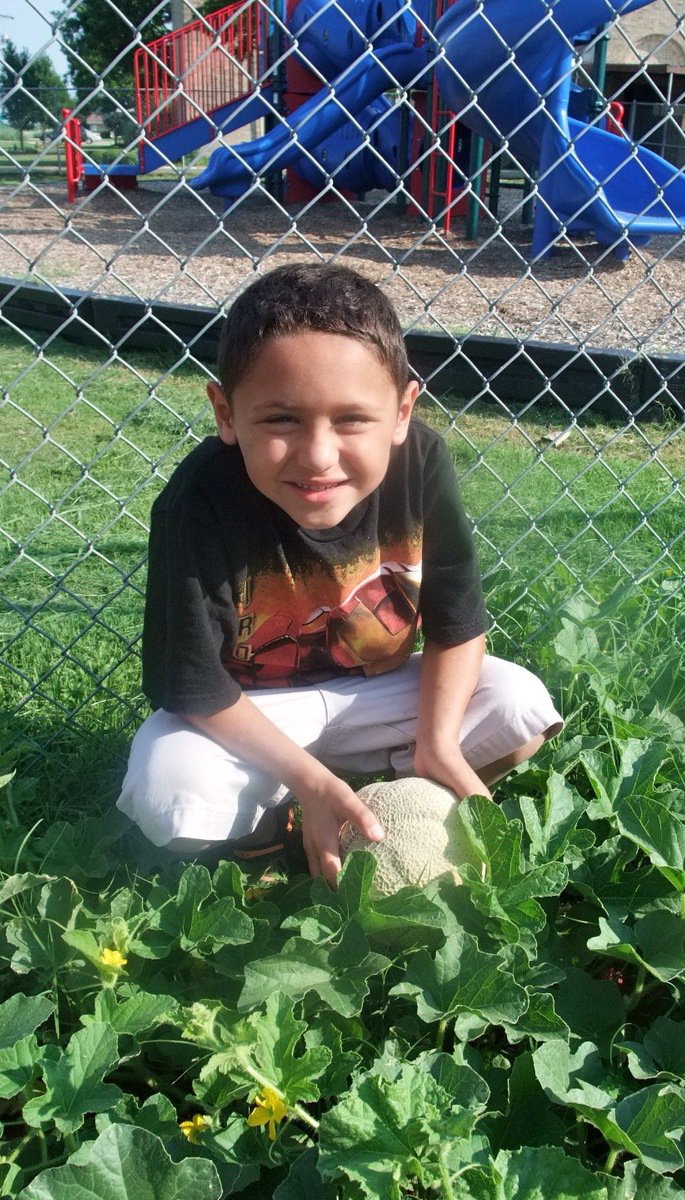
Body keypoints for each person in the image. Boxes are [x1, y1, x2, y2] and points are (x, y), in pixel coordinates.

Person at [117, 263, 562, 886]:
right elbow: (190, 684)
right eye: (280, 420)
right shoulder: (200, 500)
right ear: (226, 412)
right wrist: (309, 779)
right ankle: (276, 830)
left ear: (403, 411)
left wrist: (437, 742)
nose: (318, 456)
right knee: (171, 785)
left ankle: (399, 804)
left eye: (352, 419)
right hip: (253, 713)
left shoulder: (423, 463)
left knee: (518, 705)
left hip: (376, 693)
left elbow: (456, 627)